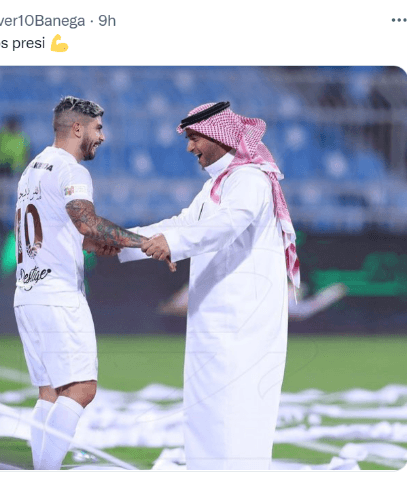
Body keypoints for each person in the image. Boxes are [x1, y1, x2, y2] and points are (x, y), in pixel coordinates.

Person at [118, 102, 300, 470]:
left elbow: (225, 226)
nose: (189, 147)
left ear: (219, 136)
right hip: (213, 323)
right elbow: (182, 224)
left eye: (195, 138)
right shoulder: (216, 187)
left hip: (241, 326)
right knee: (205, 419)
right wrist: (120, 240)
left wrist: (173, 244)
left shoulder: (250, 180)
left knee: (236, 419)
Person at [13, 96, 174, 470]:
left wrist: (89, 243)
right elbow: (86, 221)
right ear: (77, 128)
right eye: (98, 128)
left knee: (50, 393)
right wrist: (144, 242)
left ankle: (41, 470)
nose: (102, 136)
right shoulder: (71, 170)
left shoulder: (33, 168)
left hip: (27, 293)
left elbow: (58, 228)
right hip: (58, 295)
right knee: (81, 389)